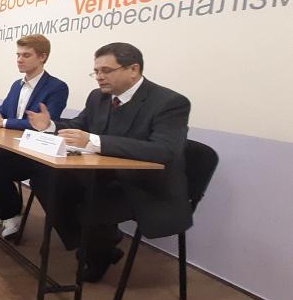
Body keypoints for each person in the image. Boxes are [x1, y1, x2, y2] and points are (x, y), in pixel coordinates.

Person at [24, 42, 190, 282]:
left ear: (133, 69)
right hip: (102, 174)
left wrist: (95, 141)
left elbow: (164, 150)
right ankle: (96, 246)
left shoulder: (170, 102)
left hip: (144, 185)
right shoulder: (98, 97)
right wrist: (49, 126)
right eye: (96, 71)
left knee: (90, 202)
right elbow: (79, 126)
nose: (99, 77)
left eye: (106, 71)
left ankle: (97, 251)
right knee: (44, 178)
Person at [0, 34, 69, 239]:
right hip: (12, 148)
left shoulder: (57, 87)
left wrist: (4, 122)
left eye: (26, 55)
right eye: (18, 55)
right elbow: (3, 112)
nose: (19, 59)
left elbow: (42, 124)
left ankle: (11, 214)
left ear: (42, 57)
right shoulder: (16, 85)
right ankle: (9, 210)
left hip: (36, 153)